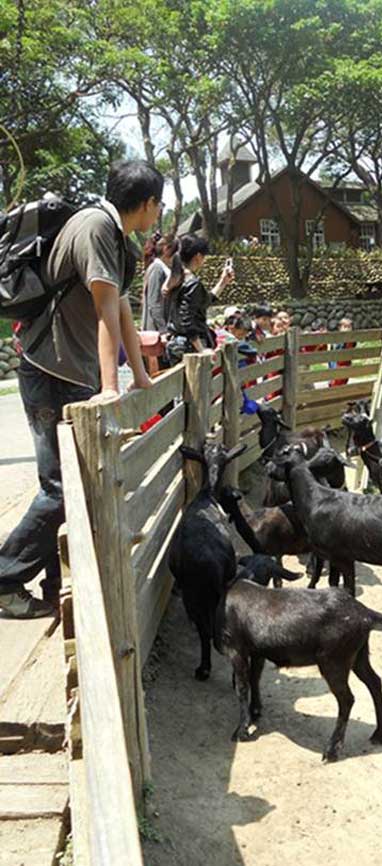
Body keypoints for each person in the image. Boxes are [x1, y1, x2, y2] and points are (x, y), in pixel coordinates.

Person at [0, 159, 164, 619]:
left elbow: (125, 310)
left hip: (70, 372)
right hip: (50, 369)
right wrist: (112, 386)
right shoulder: (95, 226)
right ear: (148, 202)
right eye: (159, 204)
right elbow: (105, 307)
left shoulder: (119, 239)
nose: (159, 212)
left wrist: (143, 377)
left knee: (73, 486)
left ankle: (57, 586)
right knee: (60, 488)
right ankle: (5, 578)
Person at [165, 234, 234, 364]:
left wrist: (223, 281)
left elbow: (205, 301)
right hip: (189, 347)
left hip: (176, 343)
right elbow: (188, 320)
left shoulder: (175, 279)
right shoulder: (193, 283)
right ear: (198, 256)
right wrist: (201, 350)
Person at [142, 234, 178, 332]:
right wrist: (163, 330)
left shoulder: (163, 269)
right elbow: (154, 303)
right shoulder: (157, 269)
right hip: (155, 331)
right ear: (166, 249)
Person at [330, 317, 355, 387]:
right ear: (340, 328)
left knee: (341, 381)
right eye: (345, 327)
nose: (347, 329)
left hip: (344, 365)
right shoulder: (337, 340)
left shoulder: (351, 340)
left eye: (349, 327)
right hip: (337, 365)